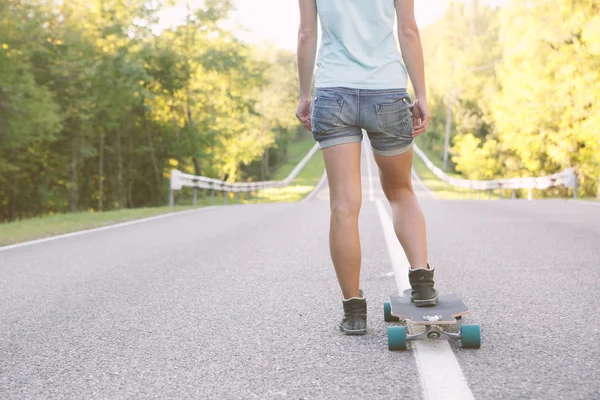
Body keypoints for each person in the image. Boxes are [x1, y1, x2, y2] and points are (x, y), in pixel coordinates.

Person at [296, 0, 438, 335]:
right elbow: (408, 30)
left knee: (344, 206)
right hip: (386, 92)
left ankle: (354, 312)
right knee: (401, 192)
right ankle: (421, 282)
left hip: (333, 93)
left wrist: (304, 94)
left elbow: (306, 34)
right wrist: (421, 93)